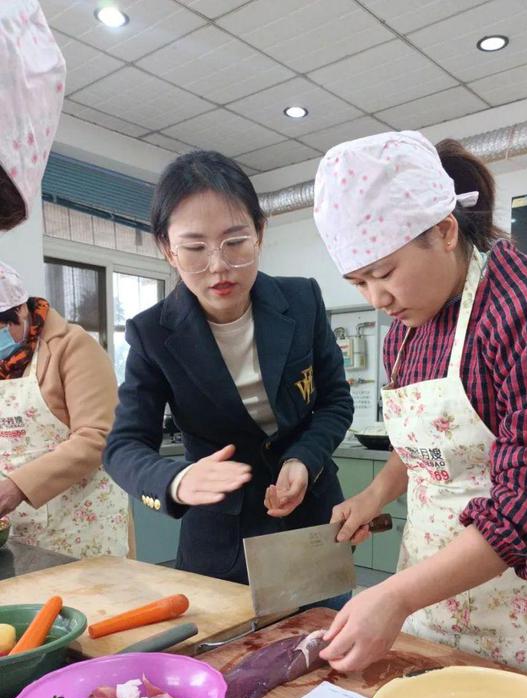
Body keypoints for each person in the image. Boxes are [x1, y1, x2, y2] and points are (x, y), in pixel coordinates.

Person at [313, 131, 527, 698]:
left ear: (445, 230)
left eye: (384, 272)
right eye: (358, 282)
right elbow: (424, 450)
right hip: (434, 600)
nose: (376, 299)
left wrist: (396, 595)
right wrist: (374, 496)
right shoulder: (407, 332)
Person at [104, 151, 353, 594]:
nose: (218, 266)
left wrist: (303, 457)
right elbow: (123, 446)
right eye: (195, 249)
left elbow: (335, 400)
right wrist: (178, 479)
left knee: (329, 648)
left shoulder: (302, 301)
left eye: (235, 242)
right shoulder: (152, 334)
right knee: (225, 655)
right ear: (167, 249)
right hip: (221, 536)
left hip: (310, 517)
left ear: (259, 232)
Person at [0, 0, 129, 558]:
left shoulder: (72, 347)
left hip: (83, 532)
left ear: (22, 311)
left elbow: (97, 439)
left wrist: (14, 486)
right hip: (20, 534)